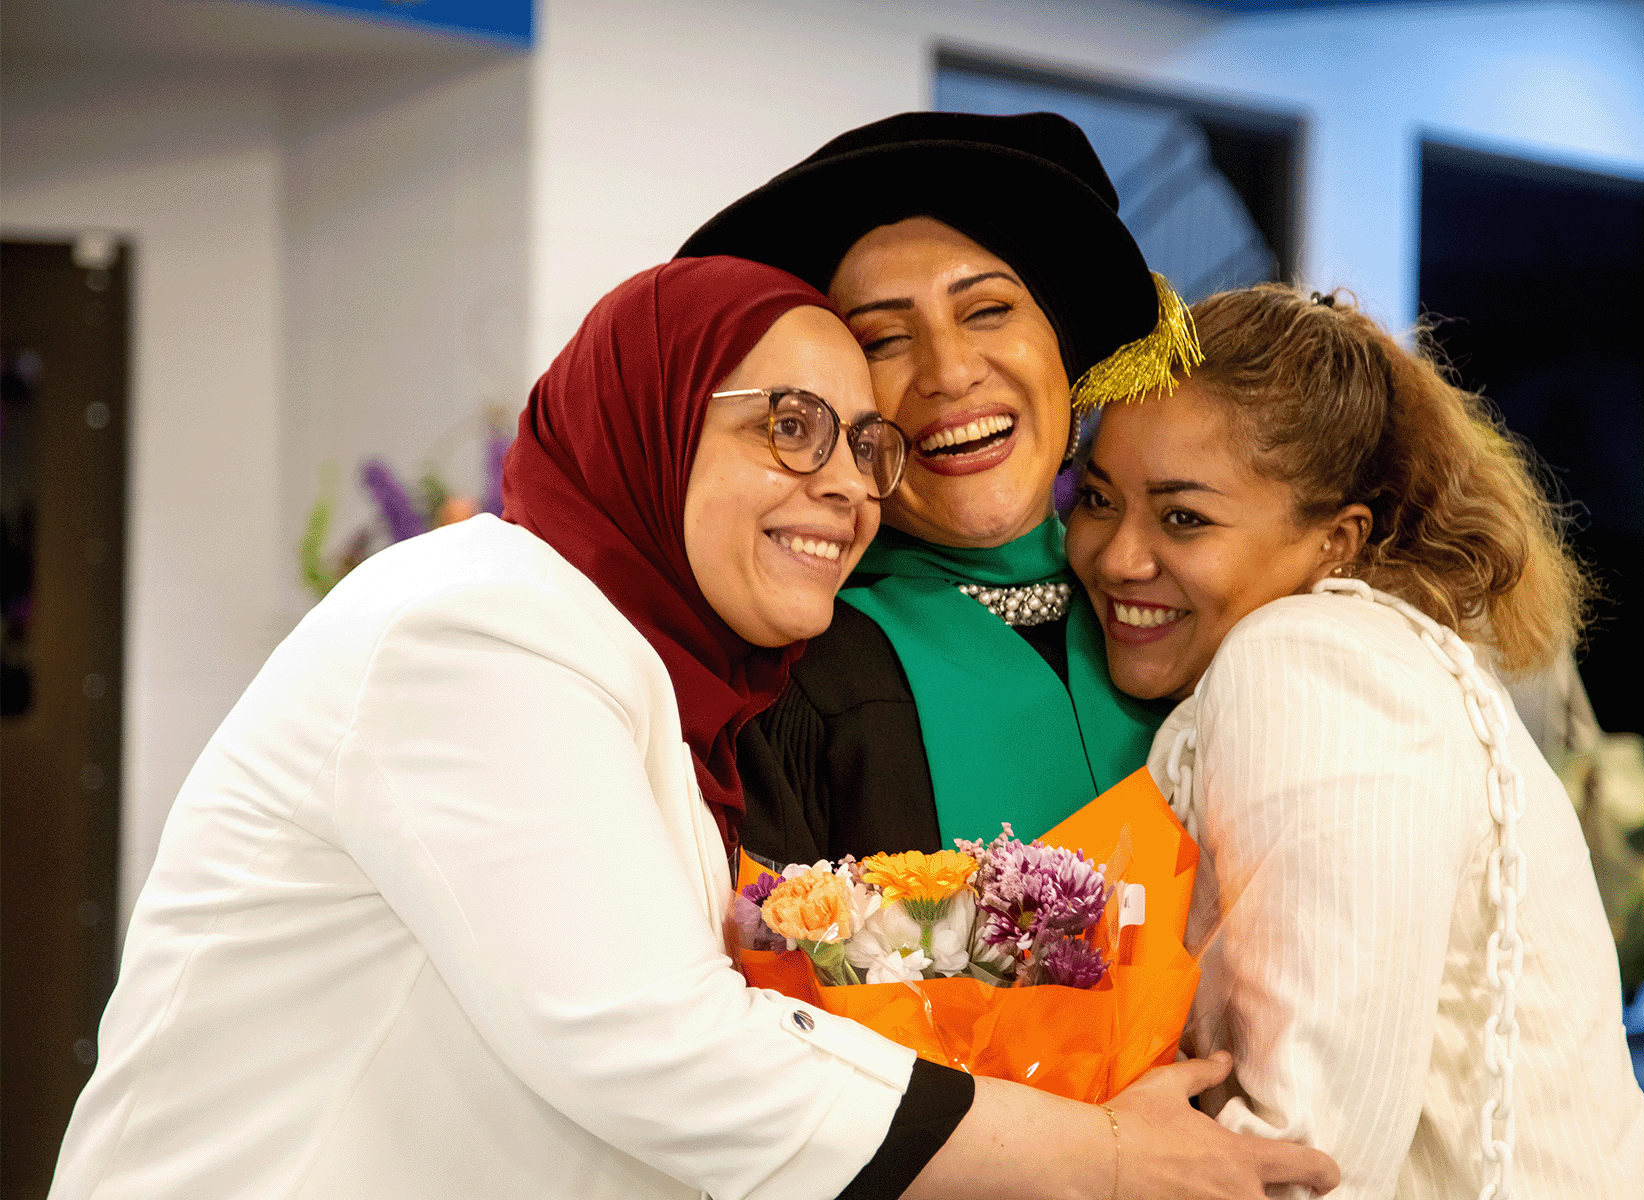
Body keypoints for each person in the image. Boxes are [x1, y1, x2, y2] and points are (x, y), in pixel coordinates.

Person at [48, 259, 1338, 1200]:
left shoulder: (674, 704)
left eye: (868, 446)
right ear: (652, 419)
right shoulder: (480, 627)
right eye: (789, 425)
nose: (842, 480)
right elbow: (650, 1045)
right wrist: (1101, 1159)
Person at [1066, 283, 1644, 1198]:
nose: (1118, 555)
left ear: (1337, 540)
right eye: (1098, 499)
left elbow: (1310, 1155)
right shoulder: (1375, 655)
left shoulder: (1308, 665)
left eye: (1184, 517)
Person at [678, 112, 1190, 864]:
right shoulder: (790, 680)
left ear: (1065, 349)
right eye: (882, 340)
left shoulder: (1179, 614)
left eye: (987, 311)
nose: (949, 371)